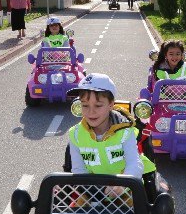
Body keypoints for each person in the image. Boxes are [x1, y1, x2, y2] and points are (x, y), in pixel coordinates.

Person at [65, 73, 160, 203]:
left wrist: (122, 184)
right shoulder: (75, 134)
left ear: (111, 104)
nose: (90, 111)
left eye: (98, 105)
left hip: (125, 188)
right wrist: (98, 190)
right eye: (85, 105)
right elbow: (78, 170)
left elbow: (134, 163)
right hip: (90, 190)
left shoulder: (126, 131)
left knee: (137, 213)